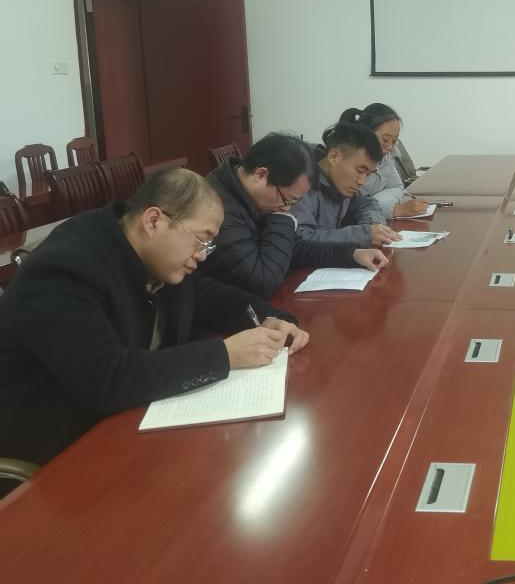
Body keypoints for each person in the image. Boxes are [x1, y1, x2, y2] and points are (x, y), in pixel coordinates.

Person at [0, 168, 309, 466]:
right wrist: (226, 355)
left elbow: (204, 295)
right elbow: (107, 379)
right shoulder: (64, 270)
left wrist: (271, 317)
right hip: (58, 447)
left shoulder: (145, 250)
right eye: (201, 239)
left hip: (126, 419)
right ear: (153, 221)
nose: (202, 254)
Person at [204, 132, 387, 298]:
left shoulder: (254, 195)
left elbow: (293, 247)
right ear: (261, 175)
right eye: (288, 200)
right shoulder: (217, 208)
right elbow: (262, 283)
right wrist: (282, 219)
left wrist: (352, 254)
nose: (288, 208)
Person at [292, 122, 404, 248]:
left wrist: (374, 225)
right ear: (334, 157)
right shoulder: (300, 187)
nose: (362, 181)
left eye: (368, 174)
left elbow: (367, 203)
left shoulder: (340, 182)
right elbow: (299, 240)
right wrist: (362, 235)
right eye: (360, 171)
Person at [336, 104, 429, 219]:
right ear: (366, 133)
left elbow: (396, 186)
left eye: (394, 141)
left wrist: (379, 202)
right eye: (385, 140)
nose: (389, 147)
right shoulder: (349, 159)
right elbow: (348, 208)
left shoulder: (386, 156)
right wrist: (394, 210)